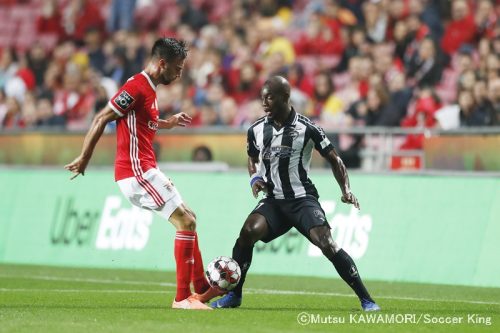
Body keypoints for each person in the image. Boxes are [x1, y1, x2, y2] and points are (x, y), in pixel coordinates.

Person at [203, 76, 380, 311]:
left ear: (285, 98)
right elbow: (252, 158)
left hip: (302, 200)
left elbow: (335, 160)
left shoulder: (308, 128)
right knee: (247, 233)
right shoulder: (256, 129)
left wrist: (345, 190)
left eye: (270, 97)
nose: (264, 102)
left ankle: (366, 299)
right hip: (274, 201)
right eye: (262, 97)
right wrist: (255, 178)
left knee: (327, 243)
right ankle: (235, 295)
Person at [65, 38, 213, 310]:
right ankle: (182, 298)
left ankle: (202, 288)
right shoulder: (135, 86)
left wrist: (169, 122)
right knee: (186, 223)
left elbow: (146, 122)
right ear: (161, 64)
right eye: (177, 68)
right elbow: (102, 118)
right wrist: (84, 158)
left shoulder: (150, 89)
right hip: (136, 172)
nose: (179, 74)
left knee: (190, 217)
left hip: (146, 169)